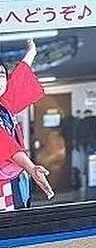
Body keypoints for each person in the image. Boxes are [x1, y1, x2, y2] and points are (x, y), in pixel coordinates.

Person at [0, 39, 56, 211]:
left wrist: (31, 52)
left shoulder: (5, 104)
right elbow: (5, 143)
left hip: (16, 176)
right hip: (3, 185)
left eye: (1, 76)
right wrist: (30, 167)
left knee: (21, 216)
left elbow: (18, 80)